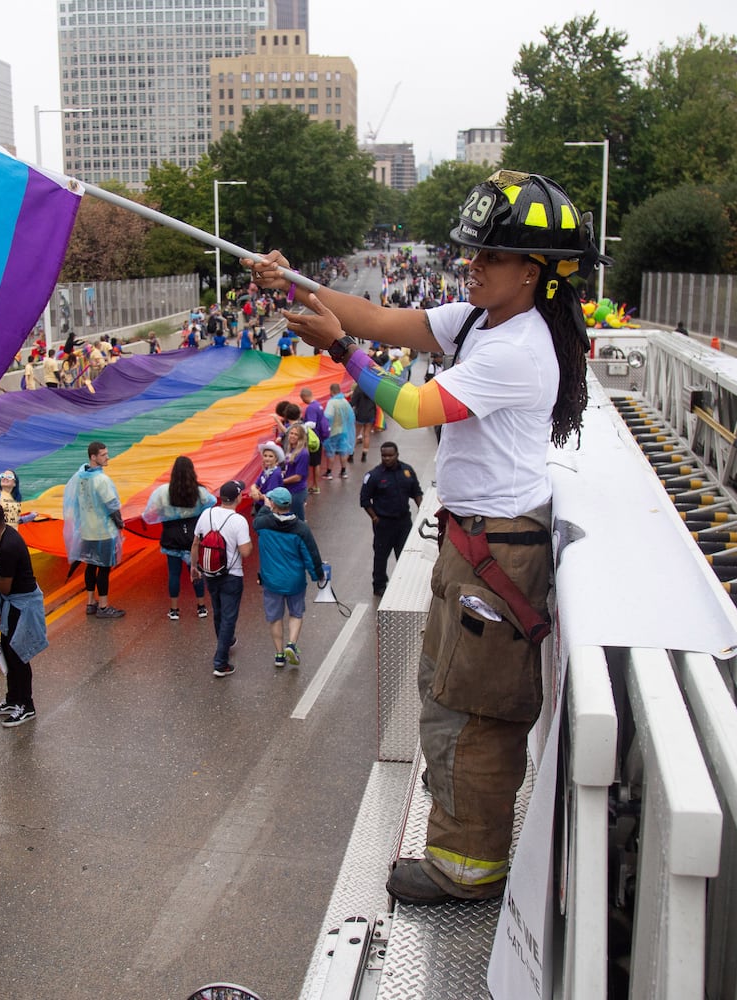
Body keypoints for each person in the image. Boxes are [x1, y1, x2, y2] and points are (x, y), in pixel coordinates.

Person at [248, 169, 602, 905]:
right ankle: (455, 848)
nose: (468, 265)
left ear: (531, 273)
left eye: (487, 256)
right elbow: (379, 319)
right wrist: (293, 285)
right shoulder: (482, 320)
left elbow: (412, 406)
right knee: (445, 695)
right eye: (468, 252)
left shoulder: (518, 349)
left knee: (475, 713)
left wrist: (340, 351)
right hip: (474, 543)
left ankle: (467, 870)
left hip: (497, 552)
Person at [0, 501, 47, 728]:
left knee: (18, 656)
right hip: (10, 603)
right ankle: (12, 699)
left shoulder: (9, 546)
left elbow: (4, 586)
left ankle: (26, 706)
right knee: (7, 651)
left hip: (22, 605)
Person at [252, 487, 325, 670]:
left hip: (272, 580)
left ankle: (278, 654)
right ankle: (291, 644)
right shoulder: (301, 528)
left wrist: (265, 507)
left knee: (275, 617)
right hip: (295, 580)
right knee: (296, 613)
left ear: (273, 503)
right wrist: (318, 575)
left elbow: (256, 521)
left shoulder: (263, 524)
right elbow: (311, 554)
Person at [190, 481, 253, 678]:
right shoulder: (238, 521)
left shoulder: (206, 513)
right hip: (231, 575)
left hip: (210, 572)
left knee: (218, 612)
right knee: (229, 617)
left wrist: (194, 567)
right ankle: (221, 662)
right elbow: (245, 551)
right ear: (238, 497)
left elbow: (195, 543)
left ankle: (224, 642)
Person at [142, 456, 215, 621]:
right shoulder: (199, 492)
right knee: (196, 571)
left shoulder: (162, 492)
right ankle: (201, 606)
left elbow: (150, 514)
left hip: (172, 537)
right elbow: (212, 502)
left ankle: (174, 610)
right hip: (193, 537)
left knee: (173, 574)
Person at [65, 441, 127, 619]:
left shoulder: (80, 477)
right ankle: (103, 606)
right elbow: (112, 506)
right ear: (93, 457)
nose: (107, 457)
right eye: (103, 454)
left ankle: (90, 603)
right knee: (104, 569)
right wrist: (120, 523)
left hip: (86, 530)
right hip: (103, 532)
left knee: (90, 566)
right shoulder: (102, 480)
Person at [361, 442, 424, 597]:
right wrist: (375, 517)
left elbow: (416, 492)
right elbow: (364, 500)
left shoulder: (407, 471)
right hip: (384, 523)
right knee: (381, 555)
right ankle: (379, 585)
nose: (387, 458)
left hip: (403, 522)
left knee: (405, 555)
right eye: (384, 456)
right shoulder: (374, 476)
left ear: (397, 455)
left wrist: (422, 510)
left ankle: (405, 583)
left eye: (390, 455)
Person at [321, 382, 356, 481]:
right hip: (344, 431)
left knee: (330, 452)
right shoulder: (344, 401)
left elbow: (328, 416)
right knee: (343, 450)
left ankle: (329, 473)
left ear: (331, 391)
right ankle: (343, 471)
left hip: (333, 431)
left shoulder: (332, 402)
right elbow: (351, 416)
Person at [300, 388, 329, 492]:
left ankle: (315, 486)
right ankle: (315, 485)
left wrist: (301, 426)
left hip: (313, 440)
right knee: (316, 463)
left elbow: (312, 424)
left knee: (312, 463)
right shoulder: (318, 405)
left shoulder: (311, 408)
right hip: (319, 438)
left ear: (305, 397)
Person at [280, 423, 310, 521]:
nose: (292, 436)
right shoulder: (290, 449)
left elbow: (298, 477)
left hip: (297, 491)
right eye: (291, 433)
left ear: (300, 437)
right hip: (290, 489)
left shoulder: (303, 453)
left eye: (295, 434)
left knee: (298, 519)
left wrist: (281, 481)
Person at [249, 441, 286, 513]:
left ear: (276, 458)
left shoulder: (276, 473)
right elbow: (256, 484)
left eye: (270, 456)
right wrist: (254, 490)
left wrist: (256, 496)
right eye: (265, 455)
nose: (267, 458)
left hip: (269, 507)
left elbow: (270, 495)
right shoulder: (266, 470)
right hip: (261, 504)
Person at [350, 380, 377, 462]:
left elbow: (353, 402)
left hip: (360, 414)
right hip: (371, 414)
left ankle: (351, 455)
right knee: (367, 435)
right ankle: (364, 455)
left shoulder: (359, 388)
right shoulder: (373, 389)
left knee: (355, 434)